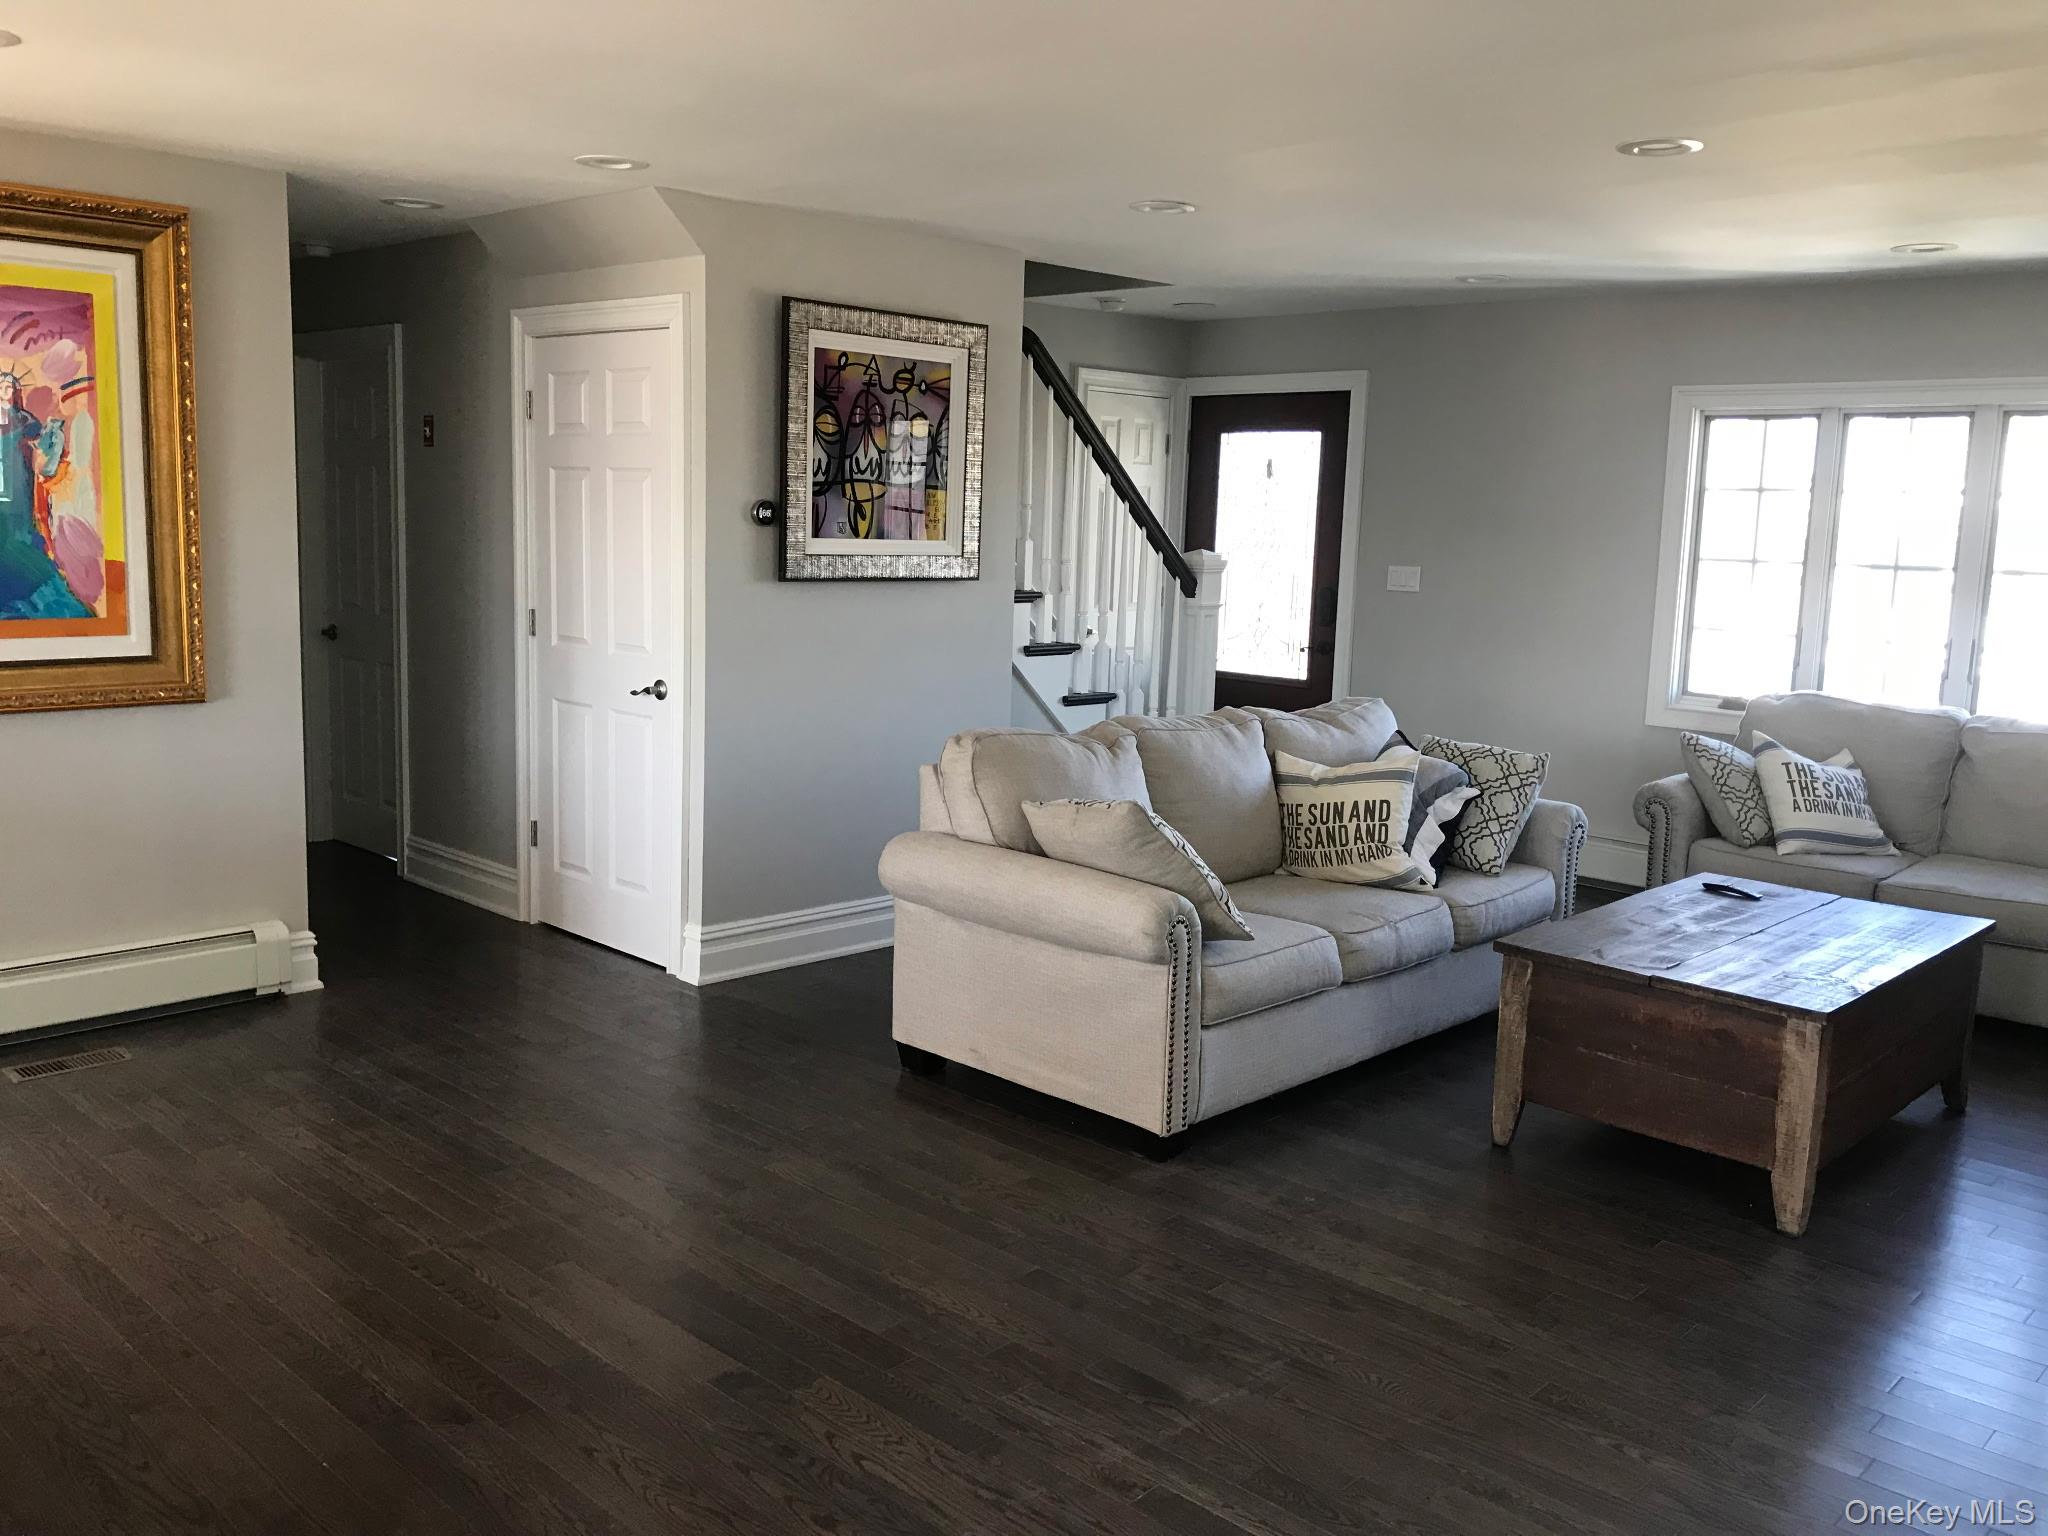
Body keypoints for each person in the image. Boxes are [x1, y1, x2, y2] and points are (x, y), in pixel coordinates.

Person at [0, 368, 87, 619]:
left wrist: (50, 440)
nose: (6, 392)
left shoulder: (25, 419)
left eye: (10, 387)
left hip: (18, 484)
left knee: (18, 533)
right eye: (2, 387)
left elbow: (41, 452)